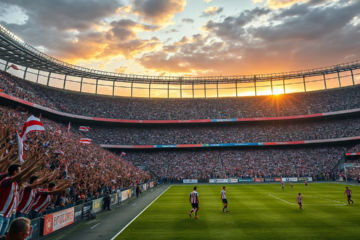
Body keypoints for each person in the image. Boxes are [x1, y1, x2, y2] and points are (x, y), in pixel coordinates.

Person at [0, 163, 38, 236]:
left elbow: (26, 175)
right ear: (15, 172)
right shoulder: (6, 180)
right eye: (20, 170)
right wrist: (33, 165)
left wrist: (36, 164)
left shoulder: (15, 183)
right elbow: (25, 174)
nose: (22, 172)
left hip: (7, 216)